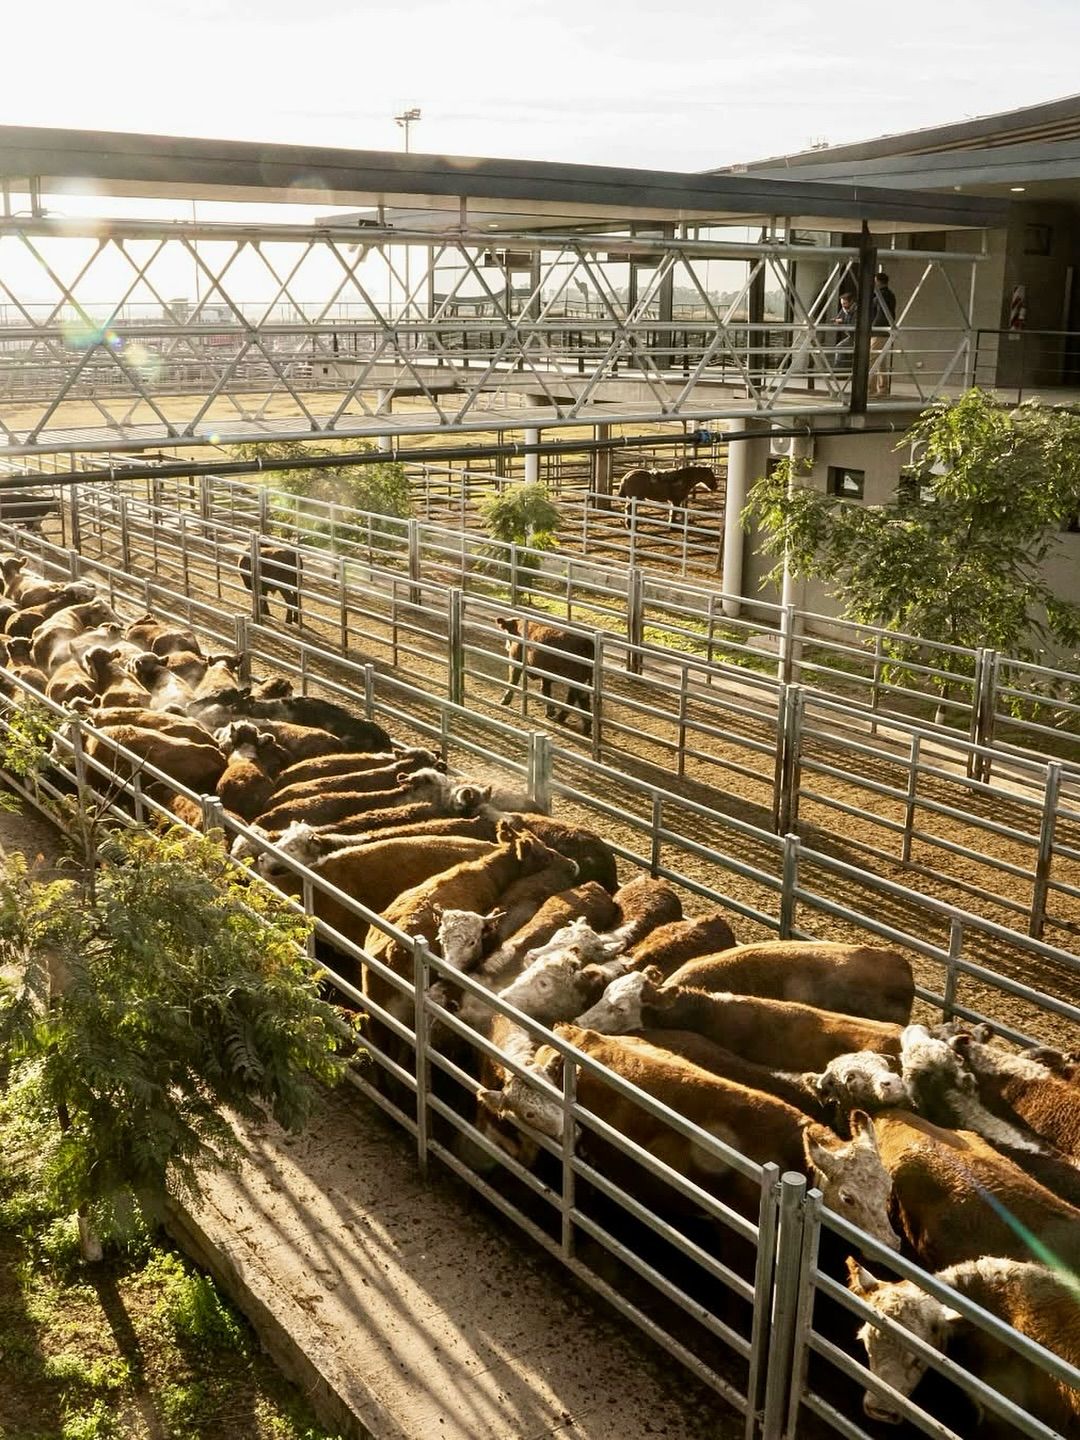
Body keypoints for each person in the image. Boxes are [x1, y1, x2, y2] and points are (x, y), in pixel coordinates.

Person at [870, 271, 897, 396]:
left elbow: (881, 314)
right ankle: (882, 388)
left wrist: (873, 327)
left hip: (879, 330)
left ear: (878, 281)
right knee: (880, 360)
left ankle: (871, 388)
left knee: (872, 359)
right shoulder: (888, 294)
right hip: (884, 330)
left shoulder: (882, 295)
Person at [834, 290, 857, 372]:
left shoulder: (857, 309)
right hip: (851, 336)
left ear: (851, 302)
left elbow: (854, 324)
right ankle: (838, 370)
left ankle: (841, 370)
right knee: (839, 347)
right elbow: (839, 318)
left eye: (845, 303)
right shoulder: (844, 309)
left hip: (858, 336)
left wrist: (842, 321)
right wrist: (837, 321)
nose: (843, 306)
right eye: (842, 304)